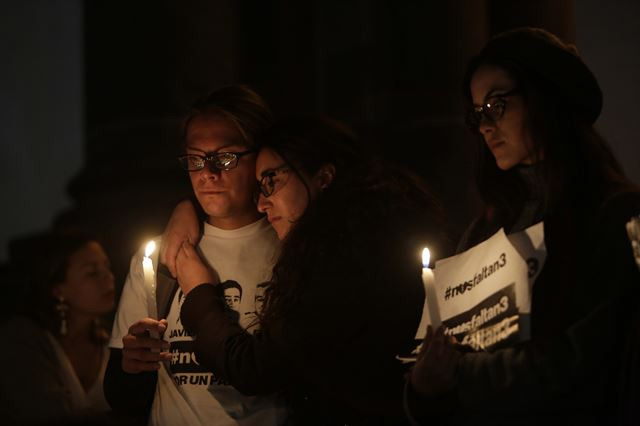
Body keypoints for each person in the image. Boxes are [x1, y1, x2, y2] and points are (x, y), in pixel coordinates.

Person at [406, 27, 640, 425]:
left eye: (496, 105)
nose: (484, 126)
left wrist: (457, 376)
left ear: (546, 98)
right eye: (476, 113)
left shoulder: (617, 215)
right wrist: (422, 386)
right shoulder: (485, 229)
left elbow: (585, 359)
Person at [164, 115, 444, 425]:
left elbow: (255, 369)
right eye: (259, 188)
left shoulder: (341, 262)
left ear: (323, 177)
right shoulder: (372, 233)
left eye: (271, 181)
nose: (261, 204)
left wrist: (199, 293)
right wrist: (187, 205)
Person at [103, 85, 286, 426]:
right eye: (195, 159)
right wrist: (132, 364)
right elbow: (121, 395)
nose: (207, 174)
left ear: (260, 158)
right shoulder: (160, 257)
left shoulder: (290, 250)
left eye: (225, 158)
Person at [0, 231, 115, 424]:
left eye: (107, 267)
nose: (109, 278)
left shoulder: (112, 340)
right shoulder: (23, 339)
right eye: (92, 273)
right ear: (58, 289)